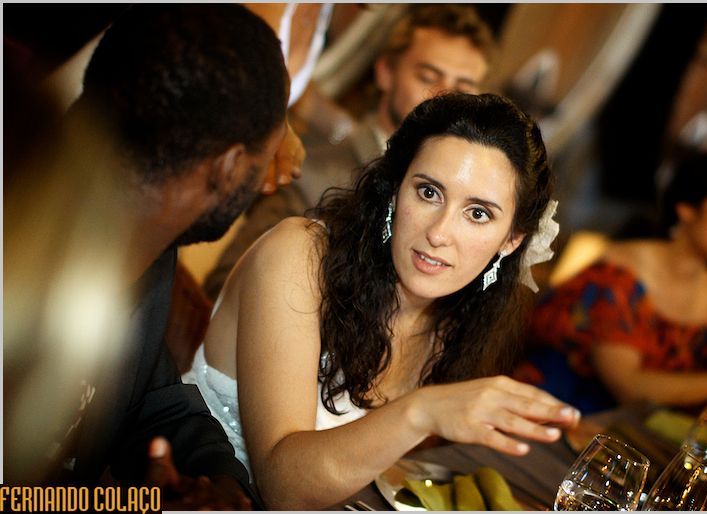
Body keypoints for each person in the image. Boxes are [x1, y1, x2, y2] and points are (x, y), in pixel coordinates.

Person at [183, 92, 579, 509]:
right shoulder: (299, 255)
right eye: (428, 193)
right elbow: (282, 489)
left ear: (512, 239)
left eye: (478, 213)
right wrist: (422, 411)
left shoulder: (457, 320)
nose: (440, 232)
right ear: (394, 191)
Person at [5, 5, 291, 510]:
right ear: (227, 169)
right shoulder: (22, 266)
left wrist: (220, 485)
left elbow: (151, 401)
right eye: (266, 158)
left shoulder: (147, 251)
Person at [203, 4, 495, 300]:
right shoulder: (310, 173)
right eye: (429, 76)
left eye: (463, 86)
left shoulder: (470, 210)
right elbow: (227, 287)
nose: (445, 97)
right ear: (385, 73)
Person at [523, 152, 707, 414]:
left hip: (626, 440)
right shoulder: (619, 271)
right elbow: (627, 386)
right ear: (686, 208)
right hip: (541, 413)